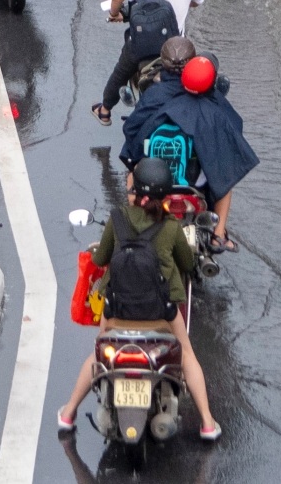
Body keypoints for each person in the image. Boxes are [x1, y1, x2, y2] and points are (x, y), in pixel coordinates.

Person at [55, 158, 220, 440]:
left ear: (135, 192)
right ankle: (207, 423)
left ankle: (69, 413)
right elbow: (186, 261)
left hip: (118, 310)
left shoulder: (117, 219)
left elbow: (100, 258)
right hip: (161, 314)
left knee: (97, 352)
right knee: (187, 353)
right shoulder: (170, 228)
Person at [121, 52, 256, 253]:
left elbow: (136, 136)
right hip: (197, 183)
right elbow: (230, 144)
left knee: (133, 171)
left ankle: (133, 220)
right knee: (225, 181)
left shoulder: (163, 106)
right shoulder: (215, 112)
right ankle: (219, 234)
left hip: (159, 181)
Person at [93, 0, 205, 122]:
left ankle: (104, 110)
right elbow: (196, 3)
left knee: (121, 71)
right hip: (176, 48)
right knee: (193, 75)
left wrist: (114, 14)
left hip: (142, 45)